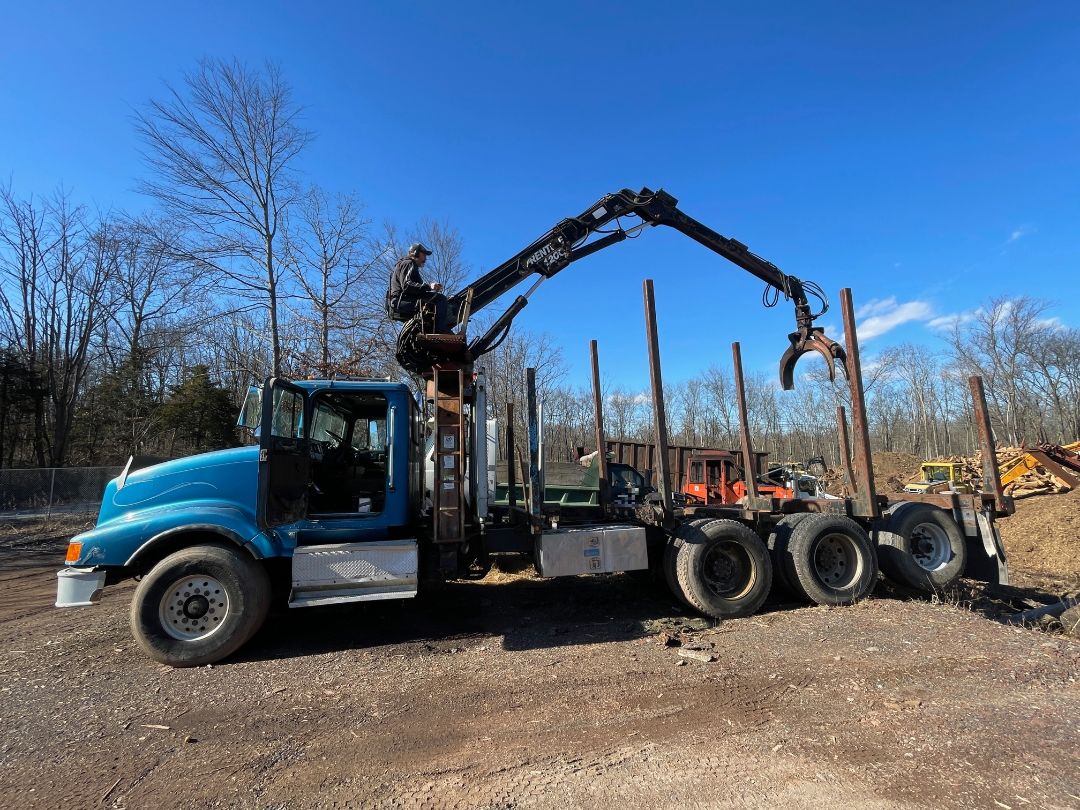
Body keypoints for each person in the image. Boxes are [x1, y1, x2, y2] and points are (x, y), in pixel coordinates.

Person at [386, 243, 450, 333]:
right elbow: (407, 285)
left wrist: (426, 288)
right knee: (441, 299)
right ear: (416, 253)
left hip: (401, 301)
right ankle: (440, 329)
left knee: (432, 304)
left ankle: (428, 329)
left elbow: (414, 288)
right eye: (424, 255)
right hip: (404, 301)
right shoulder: (409, 263)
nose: (425, 259)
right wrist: (429, 286)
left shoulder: (404, 265)